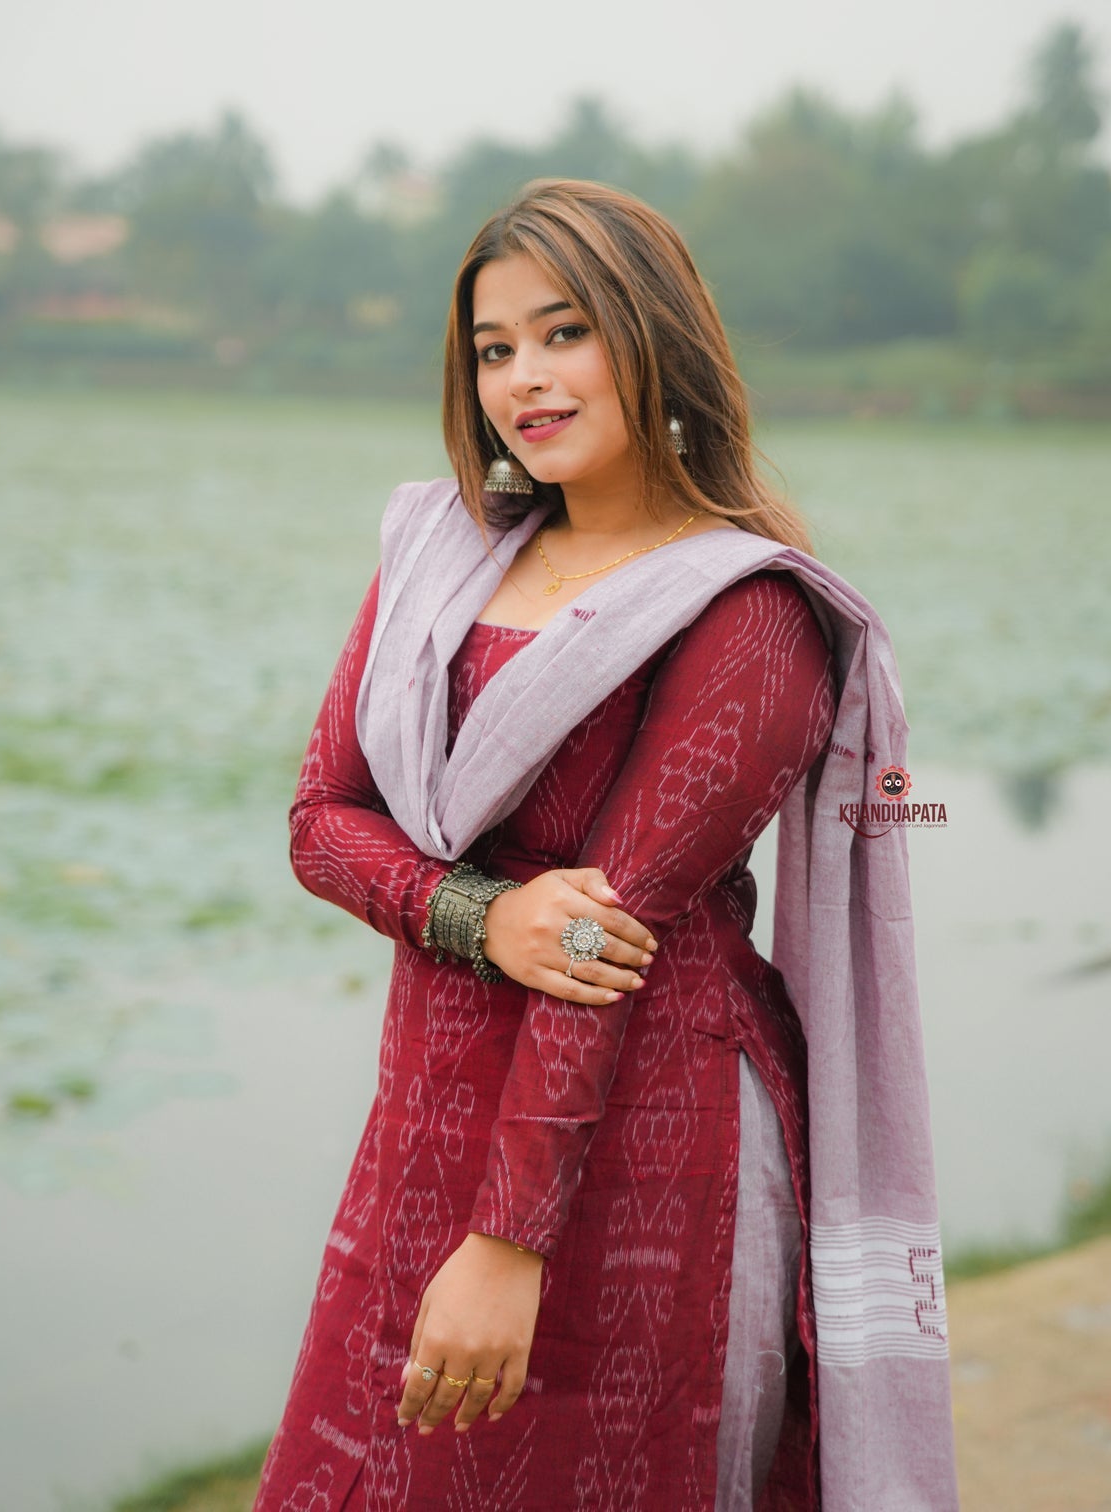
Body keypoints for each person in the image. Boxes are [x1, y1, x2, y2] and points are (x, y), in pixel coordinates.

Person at [253, 179, 958, 1512]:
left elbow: (600, 940)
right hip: (425, 1118)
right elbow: (319, 823)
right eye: (493, 348)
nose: (526, 377)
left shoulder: (747, 613)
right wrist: (472, 913)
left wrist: (511, 1243)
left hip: (646, 1137)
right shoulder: (441, 557)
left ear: (654, 337)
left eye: (564, 332)